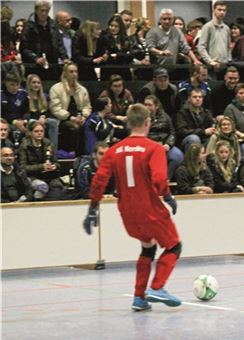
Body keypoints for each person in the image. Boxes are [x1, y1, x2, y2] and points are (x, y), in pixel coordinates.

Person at [84, 103, 182, 311]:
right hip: (150, 209)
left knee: (148, 247)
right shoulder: (153, 148)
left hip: (127, 211)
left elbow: (100, 179)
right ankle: (157, 287)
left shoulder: (114, 150)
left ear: (128, 123)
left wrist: (93, 205)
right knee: (174, 245)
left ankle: (139, 297)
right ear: (148, 122)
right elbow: (159, 178)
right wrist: (167, 195)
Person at [49, 63, 92, 157]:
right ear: (65, 73)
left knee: (91, 125)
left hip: (80, 118)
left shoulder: (82, 90)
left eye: (76, 72)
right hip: (63, 119)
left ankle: (89, 153)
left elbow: (87, 106)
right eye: (71, 72)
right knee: (74, 127)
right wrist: (71, 117)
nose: (74, 74)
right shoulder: (56, 88)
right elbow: (55, 109)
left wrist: (84, 116)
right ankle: (72, 154)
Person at [18, 120, 64, 201]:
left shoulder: (48, 144)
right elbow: (23, 168)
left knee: (57, 187)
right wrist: (41, 167)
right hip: (32, 177)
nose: (39, 133)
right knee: (42, 187)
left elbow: (57, 163)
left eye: (41, 131)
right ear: (30, 133)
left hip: (49, 176)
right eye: (36, 131)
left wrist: (54, 166)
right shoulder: (24, 146)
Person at [143, 95, 182, 180]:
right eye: (145, 104)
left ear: (156, 106)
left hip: (164, 144)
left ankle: (166, 179)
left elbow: (172, 132)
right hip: (149, 146)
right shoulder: (141, 118)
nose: (147, 107)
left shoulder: (165, 116)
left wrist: (168, 144)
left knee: (178, 156)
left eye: (149, 105)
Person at [197, 1, 230, 78]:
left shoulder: (227, 28)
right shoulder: (207, 27)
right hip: (211, 67)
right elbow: (201, 47)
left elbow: (228, 47)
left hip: (224, 66)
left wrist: (228, 60)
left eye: (224, 10)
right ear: (214, 10)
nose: (222, 12)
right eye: (219, 10)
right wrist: (210, 61)